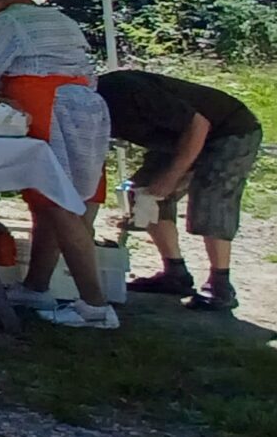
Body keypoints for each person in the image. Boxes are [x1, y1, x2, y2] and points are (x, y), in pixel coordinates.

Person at [0, 0, 116, 328]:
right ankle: (36, 286)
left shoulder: (7, 23)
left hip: (47, 107)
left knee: (60, 205)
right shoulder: (59, 19)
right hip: (86, 107)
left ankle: (95, 307)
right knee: (62, 201)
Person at [98, 67, 259, 310]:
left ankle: (220, 285)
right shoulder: (86, 106)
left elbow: (198, 124)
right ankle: (175, 274)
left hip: (229, 130)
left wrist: (173, 175)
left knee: (212, 200)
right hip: (177, 140)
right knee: (145, 193)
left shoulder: (123, 91)